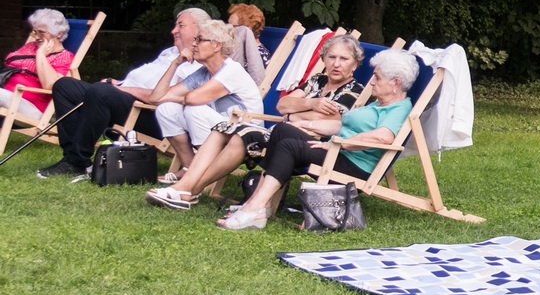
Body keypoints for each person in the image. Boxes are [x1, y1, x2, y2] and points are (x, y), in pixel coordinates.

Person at [146, 35, 365, 210]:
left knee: (241, 133)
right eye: (331, 57)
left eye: (344, 59)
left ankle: (189, 189)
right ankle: (187, 188)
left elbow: (329, 120)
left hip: (308, 143)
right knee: (223, 128)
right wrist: (311, 103)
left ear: (354, 64)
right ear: (324, 59)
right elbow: (283, 105)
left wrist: (296, 114)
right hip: (282, 132)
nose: (336, 64)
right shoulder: (317, 80)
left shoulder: (353, 90)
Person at [215, 48, 419, 230]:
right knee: (283, 130)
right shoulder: (377, 104)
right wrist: (306, 125)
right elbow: (341, 125)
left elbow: (383, 137)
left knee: (289, 147)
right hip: (337, 152)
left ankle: (255, 207)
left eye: (377, 78)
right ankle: (261, 202)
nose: (371, 81)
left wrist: (339, 144)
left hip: (352, 164)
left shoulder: (399, 108)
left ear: (396, 83)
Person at [39, 7, 212, 180]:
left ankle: (75, 161)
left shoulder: (198, 62)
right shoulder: (170, 53)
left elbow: (166, 96)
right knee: (65, 85)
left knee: (101, 92)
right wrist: (119, 83)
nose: (173, 30)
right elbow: (145, 80)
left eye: (181, 25)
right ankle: (72, 158)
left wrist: (119, 89)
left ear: (199, 29)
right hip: (123, 97)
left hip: (148, 113)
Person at [149, 20, 264, 178]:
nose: (193, 44)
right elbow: (156, 98)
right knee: (166, 109)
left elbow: (192, 99)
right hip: (223, 128)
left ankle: (201, 172)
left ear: (217, 45)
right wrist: (175, 63)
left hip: (246, 134)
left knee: (195, 110)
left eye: (199, 40)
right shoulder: (203, 73)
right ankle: (190, 168)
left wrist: (185, 98)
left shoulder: (231, 71)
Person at [1, 9, 76, 122]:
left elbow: (50, 85)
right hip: (7, 95)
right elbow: (8, 62)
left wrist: (40, 55)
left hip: (31, 106)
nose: (36, 37)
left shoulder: (64, 57)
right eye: (35, 32)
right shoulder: (30, 46)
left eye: (42, 32)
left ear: (59, 34)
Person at [226, 3, 269, 84]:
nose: (228, 30)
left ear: (246, 29)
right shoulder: (232, 47)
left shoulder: (260, 55)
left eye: (233, 27)